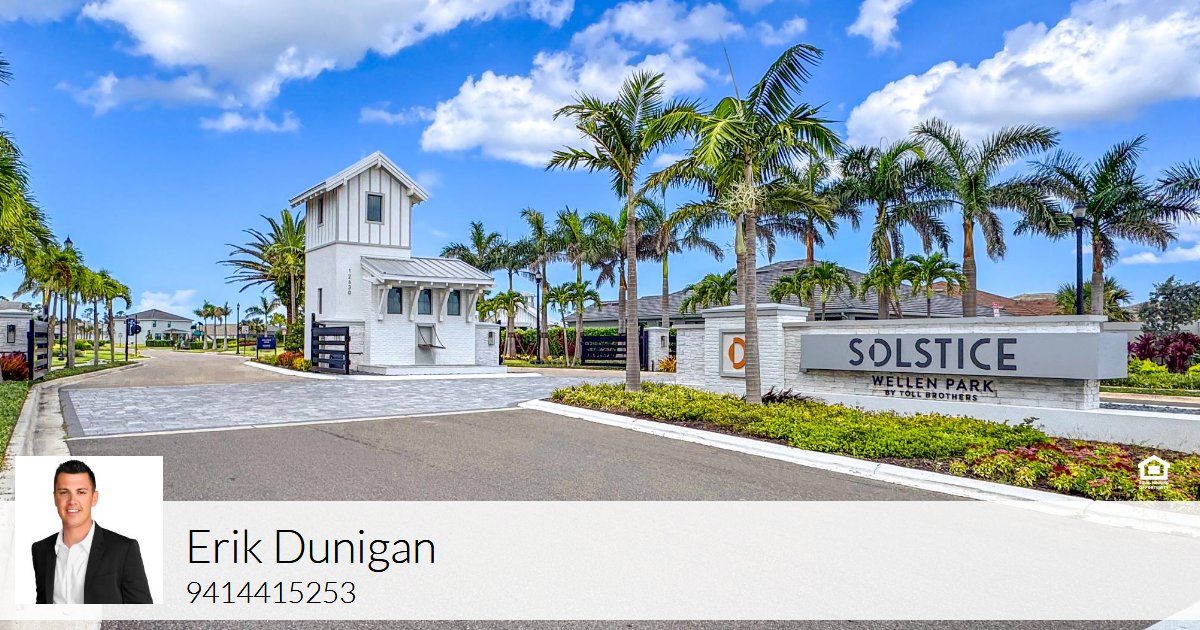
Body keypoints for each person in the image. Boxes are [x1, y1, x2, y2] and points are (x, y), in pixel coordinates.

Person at [31, 460, 152, 604]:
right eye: (64, 492)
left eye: (81, 492)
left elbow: (142, 612)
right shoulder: (40, 550)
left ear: (94, 498)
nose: (72, 501)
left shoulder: (123, 549)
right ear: (55, 498)